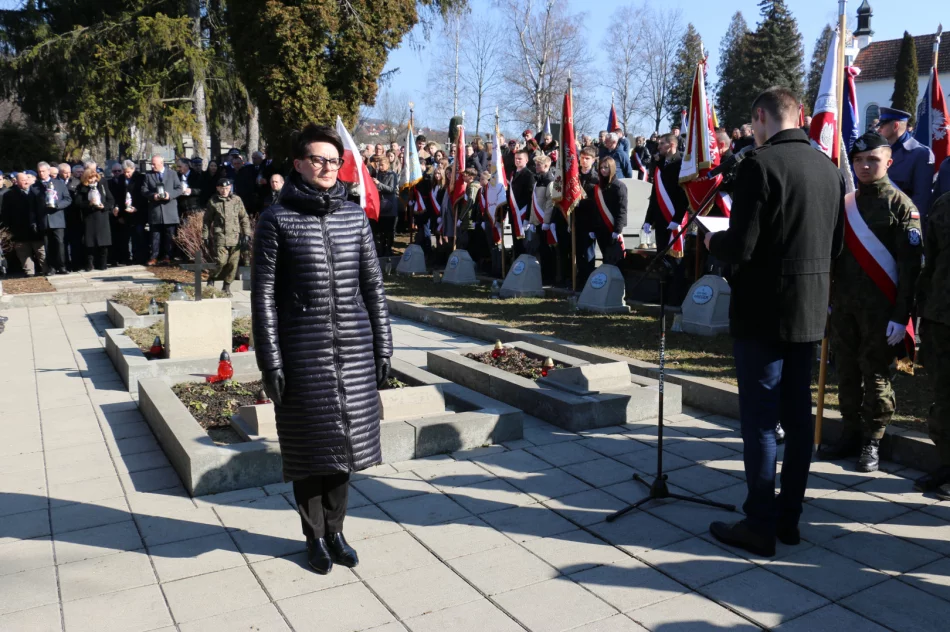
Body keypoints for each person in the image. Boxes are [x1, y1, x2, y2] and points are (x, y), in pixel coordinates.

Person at [704, 87, 844, 558]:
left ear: (760, 117)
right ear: (798, 116)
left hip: (763, 314)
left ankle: (759, 524)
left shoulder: (759, 167)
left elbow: (740, 247)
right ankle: (789, 520)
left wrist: (712, 245)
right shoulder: (830, 169)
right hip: (808, 313)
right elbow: (837, 247)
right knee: (798, 422)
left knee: (761, 424)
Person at [252, 123, 393, 575]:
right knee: (309, 453)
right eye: (318, 159)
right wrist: (270, 360)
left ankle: (337, 530)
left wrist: (383, 346)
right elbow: (264, 297)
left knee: (344, 450)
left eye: (334, 161)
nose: (328, 167)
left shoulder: (353, 215)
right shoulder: (277, 218)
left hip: (353, 350)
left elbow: (373, 286)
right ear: (298, 164)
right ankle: (313, 537)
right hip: (303, 353)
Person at [816, 133, 922, 471]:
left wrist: (900, 315)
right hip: (845, 308)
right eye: (859, 160)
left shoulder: (901, 207)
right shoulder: (846, 203)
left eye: (872, 160)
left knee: (875, 375)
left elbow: (910, 268)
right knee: (845, 372)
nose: (864, 165)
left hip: (882, 312)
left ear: (888, 163)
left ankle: (872, 440)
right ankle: (849, 432)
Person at [915, 190, 950, 498]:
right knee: (944, 397)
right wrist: (922, 310)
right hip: (941, 316)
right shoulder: (945, 202)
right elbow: (931, 260)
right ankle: (947, 464)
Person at [644, 133, 690, 303]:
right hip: (661, 219)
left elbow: (683, 195)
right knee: (661, 258)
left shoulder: (682, 163)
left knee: (676, 260)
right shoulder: (659, 164)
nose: (659, 147)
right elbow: (655, 194)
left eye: (662, 144)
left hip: (676, 220)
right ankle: (663, 294)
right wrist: (648, 219)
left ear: (671, 145)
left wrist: (677, 219)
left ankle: (677, 296)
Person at [877, 107, 934, 221]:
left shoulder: (921, 153)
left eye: (882, 126)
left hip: (902, 221)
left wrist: (912, 227)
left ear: (895, 126)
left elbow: (921, 199)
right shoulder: (880, 151)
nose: (879, 130)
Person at [202, 178, 250, 296]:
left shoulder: (236, 200)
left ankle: (226, 286)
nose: (224, 191)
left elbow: (244, 218)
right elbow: (207, 220)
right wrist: (205, 235)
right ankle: (212, 278)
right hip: (221, 236)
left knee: (233, 264)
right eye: (222, 189)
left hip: (235, 236)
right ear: (217, 188)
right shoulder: (213, 201)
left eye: (227, 189)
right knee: (221, 261)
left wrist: (247, 234)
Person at [30, 161, 72, 275]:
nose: (41, 173)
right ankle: (51, 267)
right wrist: (33, 222)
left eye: (43, 171)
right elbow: (32, 207)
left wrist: (58, 206)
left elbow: (68, 199)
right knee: (48, 245)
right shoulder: (34, 187)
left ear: (49, 171)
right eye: (39, 172)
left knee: (60, 243)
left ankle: (62, 266)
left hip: (57, 218)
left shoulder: (59, 184)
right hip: (44, 220)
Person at [1, 173, 46, 276]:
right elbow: (5, 213)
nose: (26, 182)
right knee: (23, 252)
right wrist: (10, 228)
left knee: (40, 251)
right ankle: (29, 272)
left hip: (35, 228)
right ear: (16, 182)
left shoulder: (35, 192)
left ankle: (45, 269)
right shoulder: (9, 195)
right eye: (23, 180)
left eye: (27, 179)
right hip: (19, 229)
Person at [142, 155, 183, 265]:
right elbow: (144, 189)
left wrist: (169, 195)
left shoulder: (172, 174)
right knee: (155, 236)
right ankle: (154, 257)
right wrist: (152, 196)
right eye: (152, 164)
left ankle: (167, 257)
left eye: (154, 164)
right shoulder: (148, 175)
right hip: (156, 211)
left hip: (169, 210)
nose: (152, 166)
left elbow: (179, 189)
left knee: (169, 235)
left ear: (161, 163)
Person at [589, 157, 627, 267]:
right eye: (601, 167)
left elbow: (622, 209)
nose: (603, 170)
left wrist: (618, 229)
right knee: (605, 258)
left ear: (612, 168)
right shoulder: (598, 187)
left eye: (606, 167)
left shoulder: (619, 187)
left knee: (615, 259)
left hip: (612, 228)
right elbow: (595, 209)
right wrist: (593, 228)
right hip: (600, 229)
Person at [76, 166, 115, 272]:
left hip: (102, 216)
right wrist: (89, 203)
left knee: (103, 242)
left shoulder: (102, 185)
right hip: (89, 218)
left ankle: (102, 263)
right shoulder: (81, 188)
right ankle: (89, 264)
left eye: (94, 178)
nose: (92, 180)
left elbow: (111, 200)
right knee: (90, 243)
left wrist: (105, 206)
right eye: (90, 178)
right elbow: (78, 203)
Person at [110, 160, 147, 265]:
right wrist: (118, 209)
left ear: (133, 169)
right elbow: (119, 196)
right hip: (125, 212)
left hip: (138, 212)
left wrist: (137, 207)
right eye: (125, 172)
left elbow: (143, 196)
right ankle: (127, 257)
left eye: (129, 172)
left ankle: (139, 257)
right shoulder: (121, 179)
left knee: (139, 235)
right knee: (126, 237)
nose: (127, 174)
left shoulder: (140, 178)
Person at [507, 149, 535, 259]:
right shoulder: (513, 173)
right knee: (516, 244)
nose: (517, 161)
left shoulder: (529, 175)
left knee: (524, 245)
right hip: (514, 214)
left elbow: (530, 197)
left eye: (520, 159)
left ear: (526, 160)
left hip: (523, 215)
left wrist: (528, 217)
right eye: (516, 159)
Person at [372, 156, 399, 256]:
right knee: (381, 229)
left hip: (390, 205)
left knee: (389, 229)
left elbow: (392, 189)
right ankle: (382, 248)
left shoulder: (392, 175)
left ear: (387, 165)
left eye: (382, 165)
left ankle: (389, 248)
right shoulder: (379, 174)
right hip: (381, 206)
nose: (380, 167)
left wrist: (379, 184)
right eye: (379, 165)